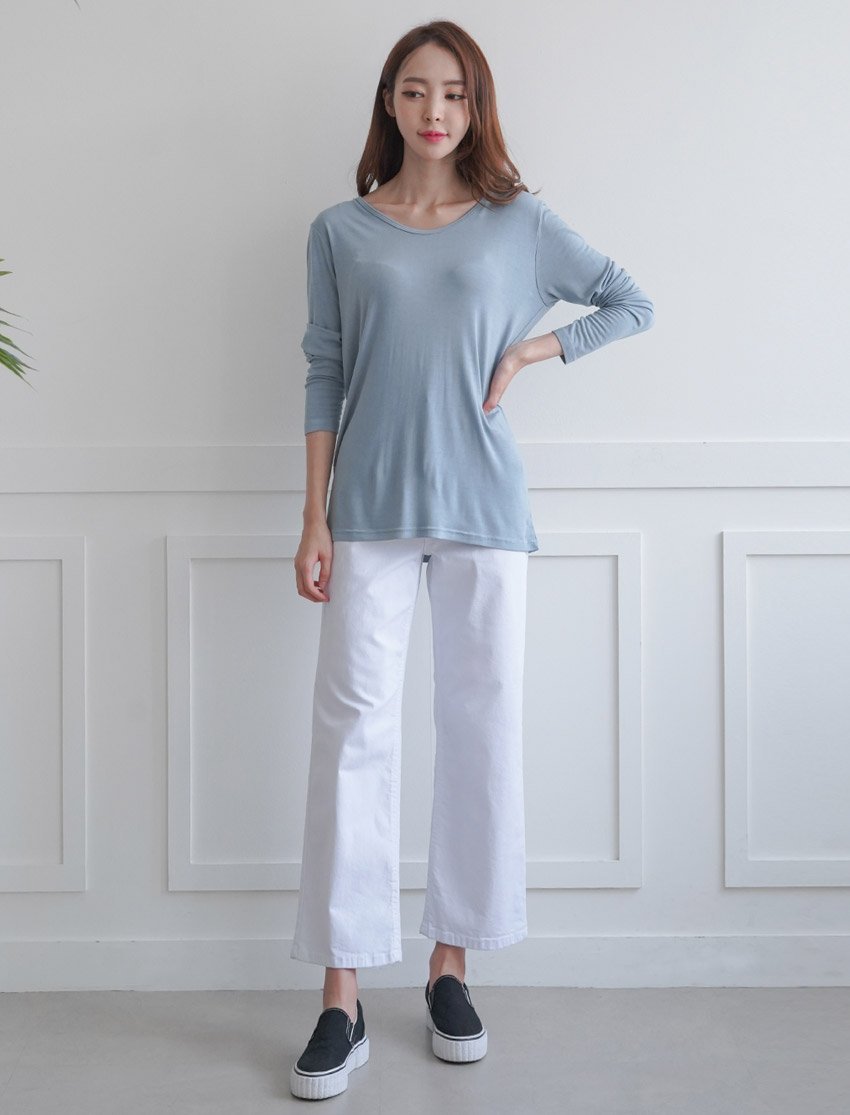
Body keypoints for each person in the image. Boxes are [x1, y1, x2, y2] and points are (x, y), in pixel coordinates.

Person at [288, 18, 654, 1101]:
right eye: (414, 90)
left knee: (478, 727)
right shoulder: (339, 230)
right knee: (352, 737)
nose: (434, 110)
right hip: (367, 510)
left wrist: (538, 346)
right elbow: (323, 370)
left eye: (452, 92)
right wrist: (312, 516)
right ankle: (342, 993)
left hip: (485, 509)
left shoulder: (518, 224)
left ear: (475, 104)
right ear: (389, 104)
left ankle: (451, 966)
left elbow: (631, 301)